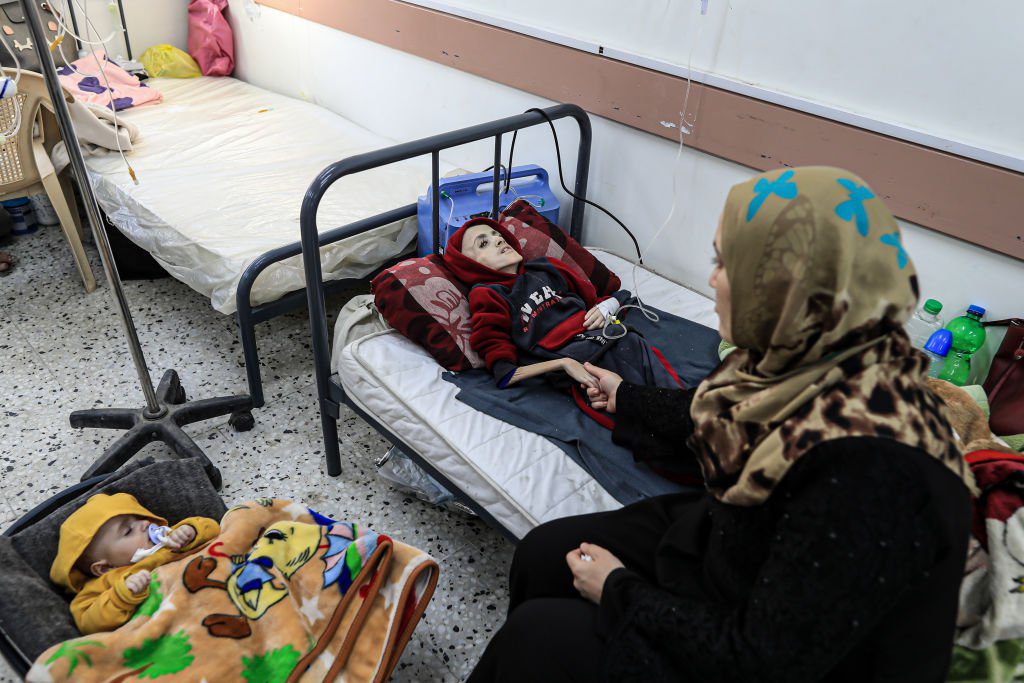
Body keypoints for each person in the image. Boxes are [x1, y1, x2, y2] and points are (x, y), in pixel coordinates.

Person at [467, 166, 975, 682]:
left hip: (764, 642)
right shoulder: (806, 362)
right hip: (734, 537)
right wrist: (628, 396)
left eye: (729, 264)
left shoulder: (875, 477)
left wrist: (618, 589)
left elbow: (767, 659)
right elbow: (719, 414)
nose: (712, 280)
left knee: (539, 635)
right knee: (543, 555)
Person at [442, 217, 681, 399]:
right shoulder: (488, 295)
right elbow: (505, 374)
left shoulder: (546, 268)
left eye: (496, 234)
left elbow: (600, 299)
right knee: (653, 412)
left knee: (682, 402)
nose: (498, 239)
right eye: (483, 243)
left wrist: (611, 304)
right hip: (585, 362)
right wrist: (563, 364)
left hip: (619, 340)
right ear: (469, 264)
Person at [51, 492, 220, 634]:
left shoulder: (170, 540)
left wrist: (191, 531)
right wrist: (122, 595)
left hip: (211, 585)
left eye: (138, 518)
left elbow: (215, 529)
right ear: (104, 567)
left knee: (240, 517)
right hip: (173, 621)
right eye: (128, 531)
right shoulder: (104, 584)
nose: (145, 523)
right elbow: (88, 623)